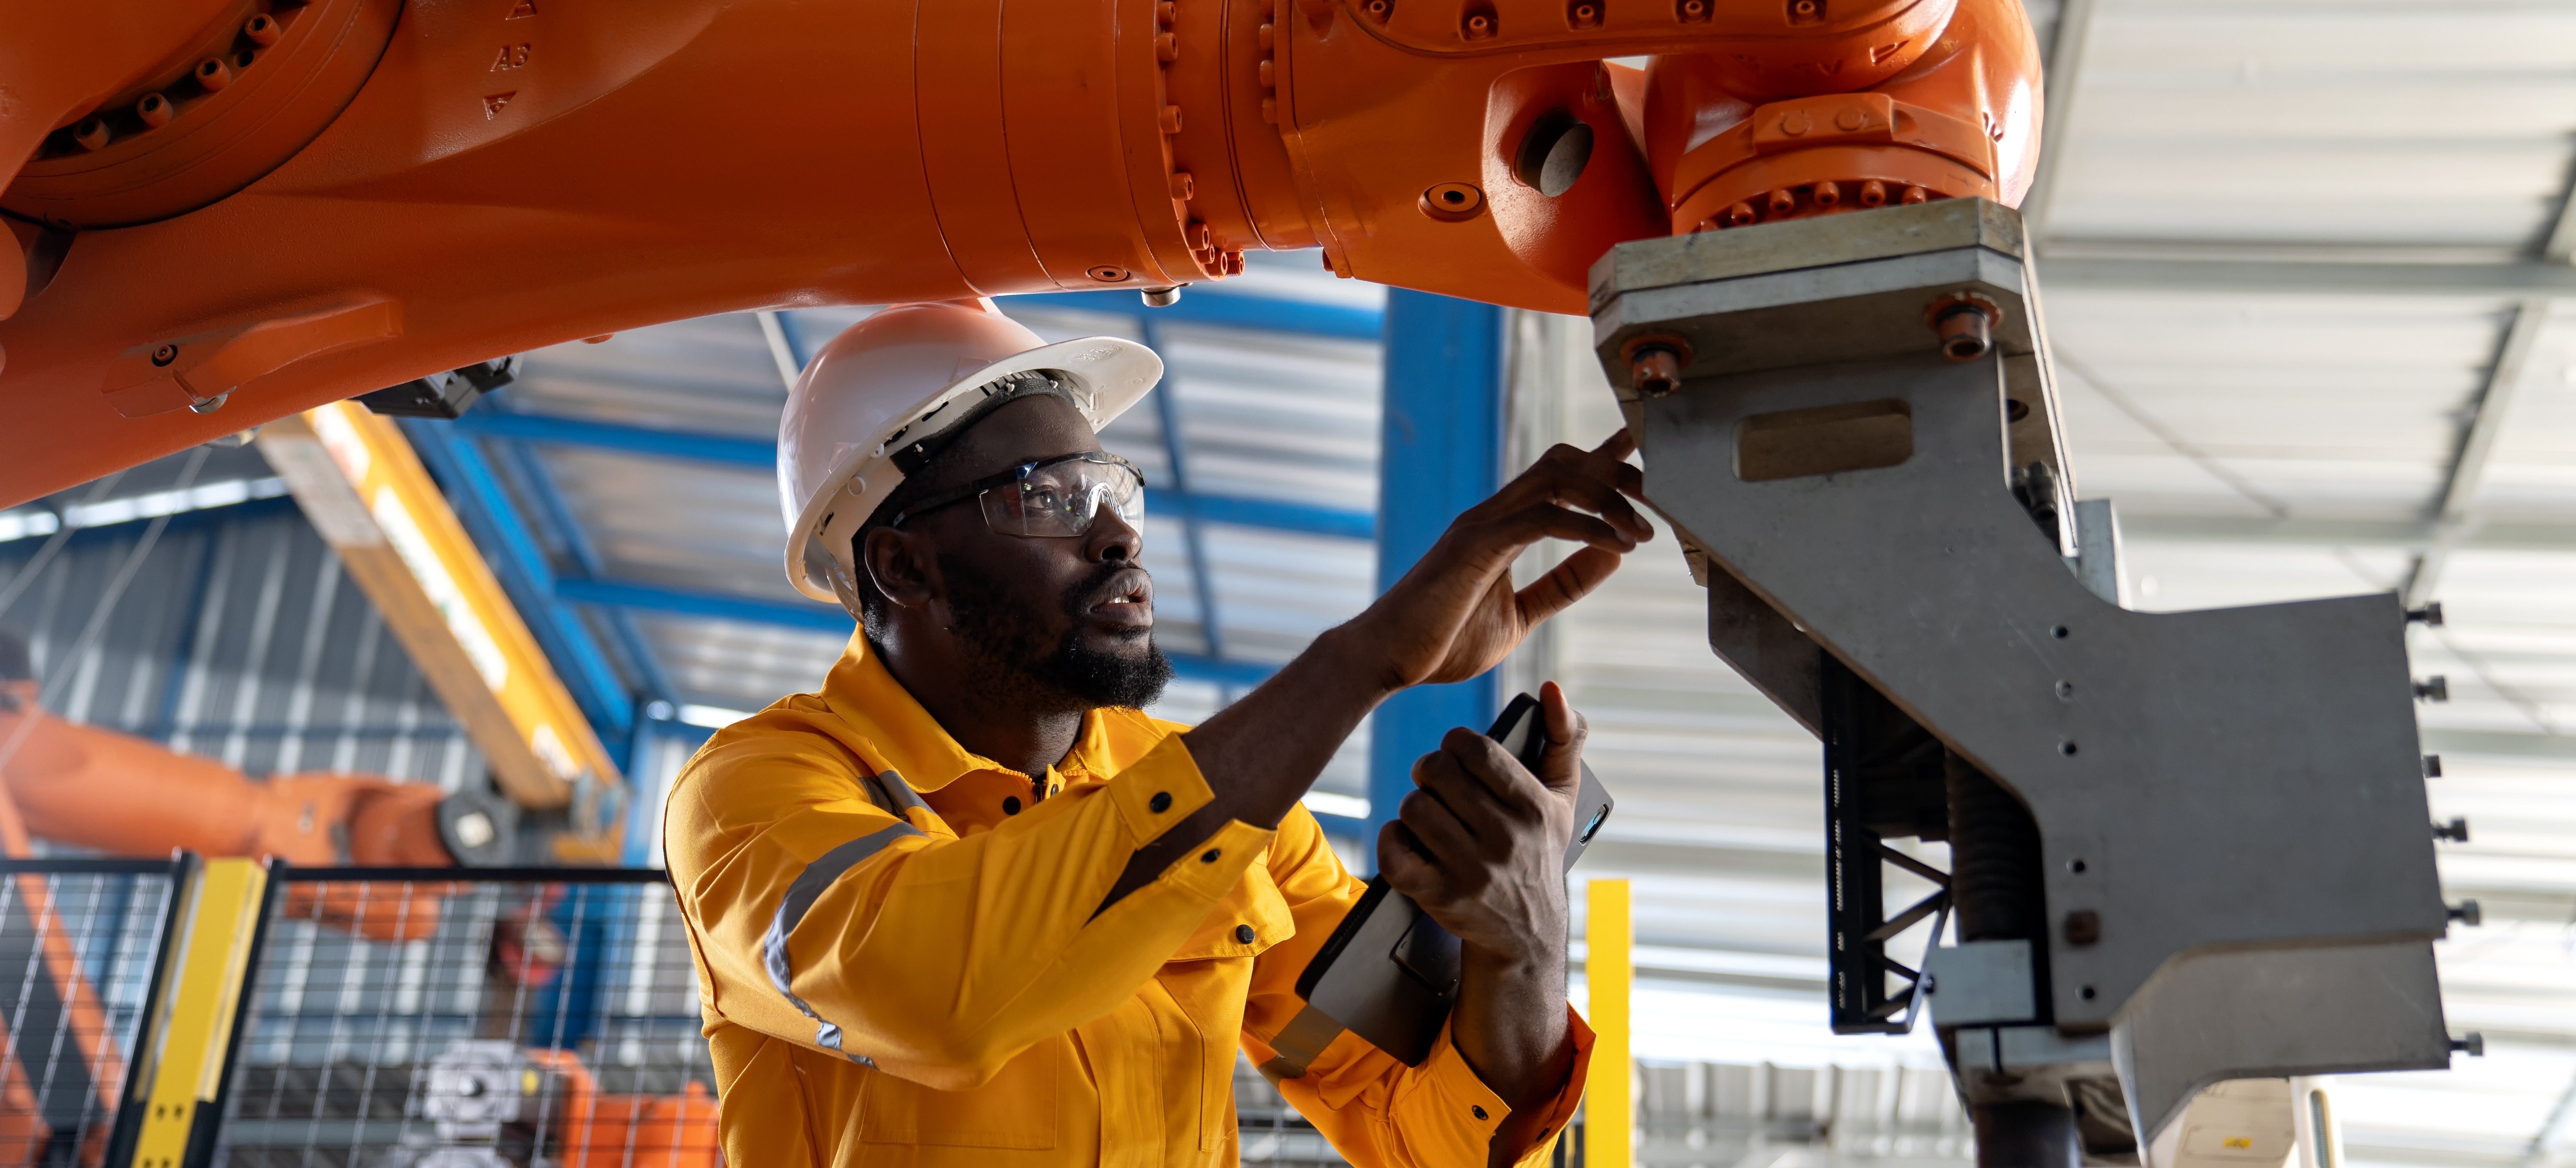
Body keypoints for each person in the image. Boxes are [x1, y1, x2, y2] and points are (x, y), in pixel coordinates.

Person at [664, 300, 1653, 1167]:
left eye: (1110, 490)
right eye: (1048, 498)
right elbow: (936, 996)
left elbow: (1421, 1128)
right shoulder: (755, 793)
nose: (1117, 535)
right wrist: (1359, 662)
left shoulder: (1241, 822)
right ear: (902, 565)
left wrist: (1525, 950)